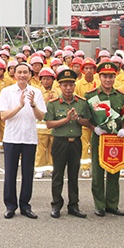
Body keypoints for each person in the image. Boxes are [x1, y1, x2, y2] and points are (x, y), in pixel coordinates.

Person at [0, 62, 46, 220]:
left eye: (25, 72)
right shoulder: (7, 92)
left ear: (30, 75)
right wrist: (19, 106)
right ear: (14, 74)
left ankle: (25, 205)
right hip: (11, 137)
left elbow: (41, 117)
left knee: (28, 174)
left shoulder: (36, 92)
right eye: (19, 72)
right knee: (10, 173)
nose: (22, 75)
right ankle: (10, 206)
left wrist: (32, 104)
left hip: (29, 138)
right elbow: (3, 116)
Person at [44, 69, 90, 219]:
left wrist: (78, 119)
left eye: (71, 85)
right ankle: (56, 204)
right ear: (60, 86)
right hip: (59, 142)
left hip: (75, 142)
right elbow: (49, 124)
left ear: (74, 85)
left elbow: (88, 122)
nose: (68, 88)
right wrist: (66, 120)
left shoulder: (81, 103)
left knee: (73, 175)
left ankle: (74, 205)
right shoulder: (54, 104)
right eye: (65, 85)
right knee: (57, 175)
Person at [85, 61, 124, 217]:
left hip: (116, 138)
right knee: (97, 172)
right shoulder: (91, 96)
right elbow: (86, 117)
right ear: (99, 76)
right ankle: (99, 205)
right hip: (99, 137)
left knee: (114, 170)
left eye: (111, 76)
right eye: (105, 76)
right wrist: (93, 128)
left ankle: (112, 204)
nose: (108, 80)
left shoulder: (120, 97)